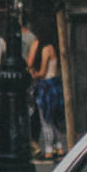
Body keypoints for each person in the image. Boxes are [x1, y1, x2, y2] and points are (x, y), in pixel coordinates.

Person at [27, 23, 64, 159]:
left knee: (46, 118)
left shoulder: (45, 49)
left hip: (46, 85)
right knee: (55, 118)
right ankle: (59, 147)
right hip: (55, 84)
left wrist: (33, 74)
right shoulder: (54, 48)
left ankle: (49, 149)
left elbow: (42, 72)